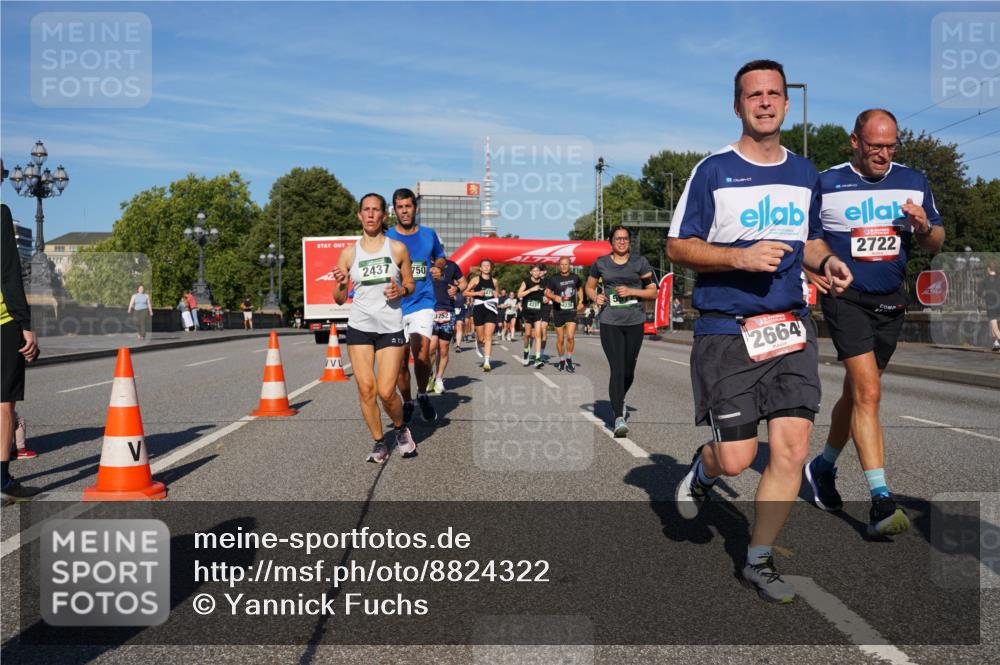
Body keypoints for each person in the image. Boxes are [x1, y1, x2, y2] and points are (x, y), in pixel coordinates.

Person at [666, 59, 853, 603]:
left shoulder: (804, 172)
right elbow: (679, 247)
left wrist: (828, 262)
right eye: (754, 95)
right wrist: (740, 258)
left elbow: (811, 239)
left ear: (787, 104)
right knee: (737, 459)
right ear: (737, 105)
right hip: (728, 331)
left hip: (790, 326)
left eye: (774, 94)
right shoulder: (713, 170)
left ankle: (758, 558)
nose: (766, 102)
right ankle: (704, 469)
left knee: (791, 449)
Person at [803, 108, 944, 537]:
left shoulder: (914, 180)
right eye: (875, 146)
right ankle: (881, 500)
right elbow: (805, 239)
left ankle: (823, 467)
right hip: (847, 298)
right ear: (855, 142)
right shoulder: (826, 182)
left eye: (890, 146)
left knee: (857, 393)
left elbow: (937, 237)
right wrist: (816, 269)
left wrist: (922, 227)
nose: (883, 155)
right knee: (869, 391)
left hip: (890, 303)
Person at [332, 193, 416, 463]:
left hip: (390, 327)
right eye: (365, 210)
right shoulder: (348, 253)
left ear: (383, 216)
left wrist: (401, 290)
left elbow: (410, 283)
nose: (370, 214)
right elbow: (338, 298)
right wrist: (342, 285)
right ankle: (380, 442)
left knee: (386, 391)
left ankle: (401, 428)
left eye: (375, 210)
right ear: (359, 215)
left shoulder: (397, 249)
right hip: (359, 326)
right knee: (366, 388)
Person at [585, 227, 657, 435]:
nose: (622, 242)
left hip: (634, 321)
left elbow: (653, 292)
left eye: (625, 239)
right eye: (618, 239)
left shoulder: (639, 262)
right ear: (611, 242)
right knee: (616, 369)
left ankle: (619, 398)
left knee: (628, 370)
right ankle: (618, 417)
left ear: (629, 242)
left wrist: (632, 291)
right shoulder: (601, 263)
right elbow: (590, 287)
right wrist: (594, 297)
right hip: (610, 321)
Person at [386, 188, 446, 425]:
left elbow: (441, 256)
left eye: (408, 206)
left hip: (423, 302)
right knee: (400, 361)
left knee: (421, 355)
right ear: (395, 210)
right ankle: (408, 400)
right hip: (395, 306)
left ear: (415, 208)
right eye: (400, 207)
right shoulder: (388, 237)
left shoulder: (429, 235)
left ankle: (422, 393)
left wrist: (438, 266)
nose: (404, 211)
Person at [2, 159, 42, 505]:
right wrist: (26, 324)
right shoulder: (0, 214)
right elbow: (10, 272)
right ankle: (2, 481)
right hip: (2, 322)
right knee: (3, 404)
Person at [428, 257, 467, 393]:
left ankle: (439, 378)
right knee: (431, 348)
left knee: (443, 348)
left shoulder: (451, 265)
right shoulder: (424, 262)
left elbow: (463, 282)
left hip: (447, 310)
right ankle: (429, 376)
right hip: (428, 310)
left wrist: (457, 288)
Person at [546, 257, 585, 372]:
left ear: (570, 265)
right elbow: (547, 292)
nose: (563, 266)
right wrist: (554, 297)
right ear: (559, 265)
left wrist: (581, 301)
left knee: (571, 336)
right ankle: (562, 359)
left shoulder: (575, 277)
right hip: (558, 311)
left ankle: (569, 358)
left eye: (566, 264)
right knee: (560, 339)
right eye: (561, 264)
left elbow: (579, 289)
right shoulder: (554, 278)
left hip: (571, 311)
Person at [464, 259, 500, 371]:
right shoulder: (475, 279)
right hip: (479, 308)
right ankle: (478, 343)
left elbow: (497, 294)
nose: (486, 267)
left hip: (491, 308)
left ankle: (487, 361)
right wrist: (476, 293)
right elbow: (465, 292)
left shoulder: (494, 281)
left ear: (491, 268)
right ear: (480, 268)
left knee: (488, 336)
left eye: (488, 265)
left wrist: (495, 294)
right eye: (484, 265)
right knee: (481, 338)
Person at [517, 264, 548, 367]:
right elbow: (519, 294)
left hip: (538, 311)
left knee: (538, 334)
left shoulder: (543, 282)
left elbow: (545, 294)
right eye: (534, 271)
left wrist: (545, 298)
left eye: (538, 271)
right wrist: (531, 289)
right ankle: (526, 352)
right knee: (527, 334)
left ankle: (538, 358)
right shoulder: (526, 281)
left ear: (540, 272)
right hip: (527, 311)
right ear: (531, 272)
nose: (536, 273)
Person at [982, 263, 1000, 352]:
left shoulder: (985, 280)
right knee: (993, 324)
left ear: (989, 269)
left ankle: (998, 340)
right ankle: (996, 343)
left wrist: (985, 296)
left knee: (994, 324)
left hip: (991, 304)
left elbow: (979, 292)